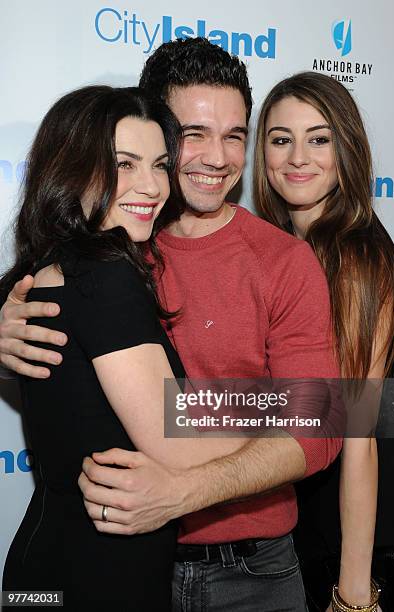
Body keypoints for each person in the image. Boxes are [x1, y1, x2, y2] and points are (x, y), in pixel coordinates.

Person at [0, 39, 343, 611]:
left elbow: (324, 424)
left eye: (235, 135)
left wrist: (182, 491)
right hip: (114, 564)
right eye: (193, 134)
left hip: (250, 573)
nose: (217, 157)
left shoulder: (283, 261)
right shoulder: (112, 243)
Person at [0, 85, 252, 611]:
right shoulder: (107, 275)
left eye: (160, 165)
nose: (151, 186)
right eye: (124, 164)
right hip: (98, 578)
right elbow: (176, 441)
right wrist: (301, 410)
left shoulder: (44, 271)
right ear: (73, 169)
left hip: (37, 578)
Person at [253, 71, 394, 611]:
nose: (298, 157)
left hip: (363, 527)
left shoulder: (357, 257)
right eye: (281, 139)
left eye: (318, 139)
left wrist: (354, 593)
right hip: (311, 505)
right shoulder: (287, 250)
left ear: (346, 150)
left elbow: (358, 433)